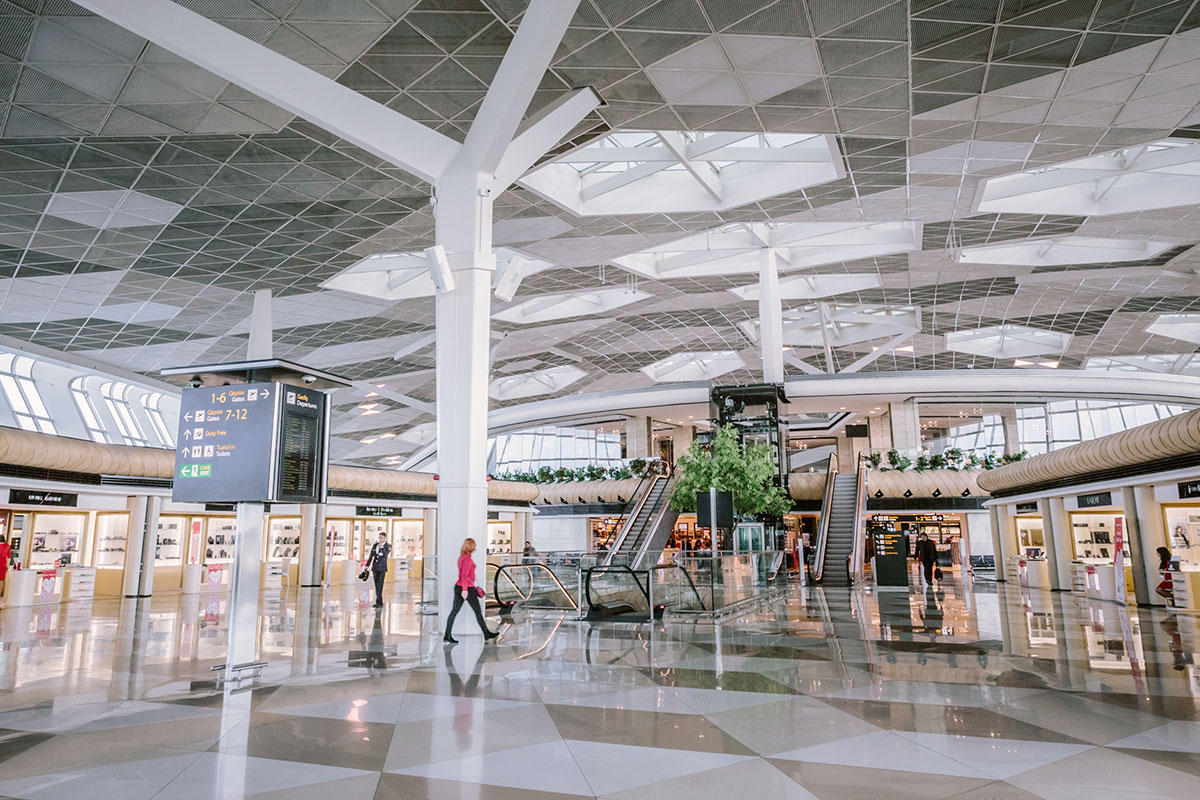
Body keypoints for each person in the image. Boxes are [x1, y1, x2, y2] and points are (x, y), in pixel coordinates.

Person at [444, 537, 498, 644]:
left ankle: (447, 636)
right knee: (477, 612)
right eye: (474, 545)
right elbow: (464, 575)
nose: (475, 547)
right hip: (467, 588)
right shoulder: (467, 559)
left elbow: (463, 575)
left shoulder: (462, 557)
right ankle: (486, 634)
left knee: (454, 612)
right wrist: (465, 590)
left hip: (459, 587)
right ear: (471, 547)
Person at [366, 532, 391, 607]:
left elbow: (385, 555)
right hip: (375, 567)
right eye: (379, 537)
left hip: (382, 568)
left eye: (381, 538)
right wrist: (367, 566)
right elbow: (371, 556)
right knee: (376, 584)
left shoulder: (388, 546)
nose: (380, 539)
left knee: (380, 584)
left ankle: (379, 602)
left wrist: (381, 547)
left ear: (385, 538)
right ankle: (379, 601)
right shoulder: (375, 545)